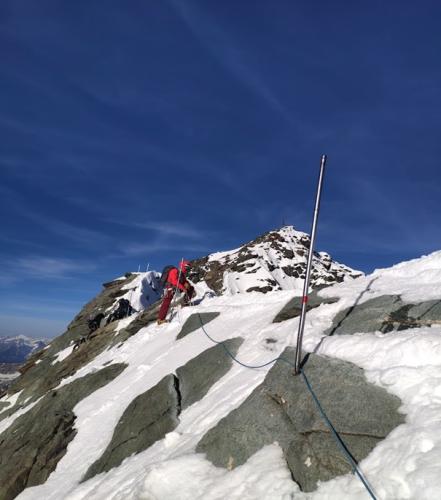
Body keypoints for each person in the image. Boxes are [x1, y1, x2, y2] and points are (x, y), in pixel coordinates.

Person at [157, 260, 195, 324]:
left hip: (176, 288)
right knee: (166, 302)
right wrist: (183, 288)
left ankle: (185, 303)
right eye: (186, 267)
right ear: (183, 266)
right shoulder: (174, 271)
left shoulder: (182, 274)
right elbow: (174, 281)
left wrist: (186, 284)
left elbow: (184, 281)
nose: (187, 269)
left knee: (191, 288)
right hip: (170, 288)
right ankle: (160, 319)